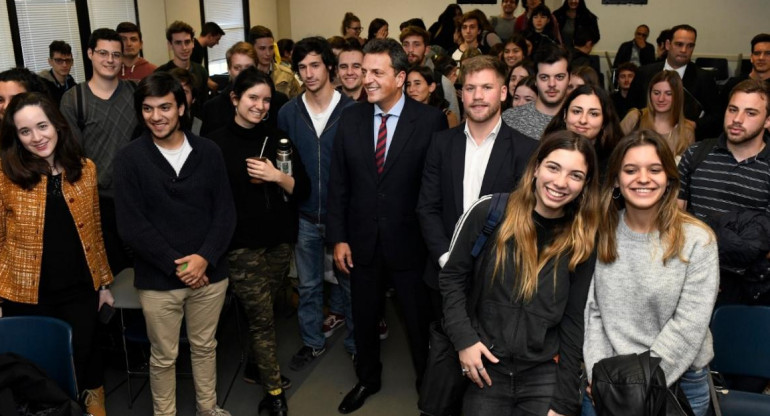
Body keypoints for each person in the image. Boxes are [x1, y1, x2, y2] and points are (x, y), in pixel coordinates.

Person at [326, 38, 448, 414]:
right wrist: (339, 238)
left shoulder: (429, 121)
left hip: (411, 244)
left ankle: (427, 387)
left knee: (417, 322)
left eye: (377, 72)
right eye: (364, 71)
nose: (367, 79)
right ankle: (368, 379)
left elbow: (435, 190)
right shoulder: (350, 118)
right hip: (361, 242)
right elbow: (339, 184)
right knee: (363, 319)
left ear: (400, 76)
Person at [441, 130, 600, 416]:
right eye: (553, 167)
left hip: (542, 372)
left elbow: (575, 319)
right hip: (487, 365)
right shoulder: (490, 212)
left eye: (575, 175)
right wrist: (464, 340)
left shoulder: (583, 239)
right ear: (536, 167)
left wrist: (563, 401)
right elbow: (452, 278)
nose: (561, 182)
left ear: (585, 184)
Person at [113, 72, 236, 416]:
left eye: (165, 107)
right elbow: (132, 226)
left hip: (209, 275)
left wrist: (204, 259)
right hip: (158, 279)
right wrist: (178, 264)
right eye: (148, 109)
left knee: (205, 346)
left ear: (182, 107)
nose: (157, 116)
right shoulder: (129, 159)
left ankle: (207, 409)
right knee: (164, 356)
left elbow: (225, 213)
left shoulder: (209, 151)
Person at [583, 130, 719, 416]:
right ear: (617, 179)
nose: (642, 178)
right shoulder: (601, 233)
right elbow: (592, 313)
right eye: (631, 170)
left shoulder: (697, 239)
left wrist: (636, 384)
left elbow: (688, 325)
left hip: (678, 384)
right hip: (606, 382)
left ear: (669, 179)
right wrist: (601, 373)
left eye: (654, 169)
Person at [0, 92, 113, 416]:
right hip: (24, 293)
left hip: (79, 287)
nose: (36, 137)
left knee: (84, 353)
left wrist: (104, 284)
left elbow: (95, 229)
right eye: (25, 131)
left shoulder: (85, 169)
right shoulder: (5, 175)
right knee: (34, 370)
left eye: (42, 126)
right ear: (16, 137)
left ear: (57, 125)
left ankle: (91, 403)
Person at [208, 67, 309, 416]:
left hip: (279, 241)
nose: (260, 105)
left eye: (266, 100)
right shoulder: (215, 144)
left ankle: (254, 366)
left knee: (265, 311)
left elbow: (302, 189)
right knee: (263, 319)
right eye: (253, 97)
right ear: (235, 98)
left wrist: (277, 176)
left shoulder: (278, 138)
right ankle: (274, 391)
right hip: (240, 245)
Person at [417, 55, 537, 321]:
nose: (478, 96)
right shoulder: (441, 144)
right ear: (461, 94)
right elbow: (427, 207)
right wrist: (446, 259)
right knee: (441, 356)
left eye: (487, 87)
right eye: (470, 88)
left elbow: (522, 217)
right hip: (443, 274)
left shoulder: (525, 149)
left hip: (499, 281)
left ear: (504, 92)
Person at [276, 37, 358, 372]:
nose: (308, 74)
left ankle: (356, 344)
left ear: (329, 67)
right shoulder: (288, 112)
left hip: (345, 217)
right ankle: (312, 342)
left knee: (352, 286)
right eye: (302, 67)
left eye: (314, 65)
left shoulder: (353, 112)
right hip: (305, 215)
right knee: (308, 286)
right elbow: (283, 165)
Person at [678, 80, 770, 306]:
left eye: (750, 113)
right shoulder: (696, 153)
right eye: (733, 109)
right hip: (691, 275)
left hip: (747, 288)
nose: (737, 119)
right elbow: (674, 218)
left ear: (768, 121)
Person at [60, 28, 139, 274]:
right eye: (103, 53)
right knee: (111, 270)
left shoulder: (137, 93)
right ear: (90, 54)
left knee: (145, 268)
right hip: (99, 201)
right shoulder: (74, 100)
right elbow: (71, 156)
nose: (110, 60)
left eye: (116, 54)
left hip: (140, 195)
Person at [628, 24, 719, 139]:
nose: (684, 50)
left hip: (685, 143)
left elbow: (716, 116)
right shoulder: (644, 73)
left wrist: (695, 125)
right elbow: (630, 107)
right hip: (645, 138)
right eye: (679, 44)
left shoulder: (704, 78)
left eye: (690, 46)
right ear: (667, 45)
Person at [544, 84, 623, 170]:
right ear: (565, 115)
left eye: (593, 114)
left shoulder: (616, 161)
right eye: (576, 111)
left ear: (604, 121)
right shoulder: (546, 150)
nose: (583, 120)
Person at [621, 70, 695, 160]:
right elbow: (614, 152)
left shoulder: (686, 131)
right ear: (649, 94)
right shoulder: (635, 117)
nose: (661, 99)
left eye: (668, 94)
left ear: (677, 96)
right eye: (656, 93)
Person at [503, 45, 570, 141]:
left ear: (569, 79)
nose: (552, 84)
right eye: (544, 77)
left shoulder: (578, 121)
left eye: (559, 77)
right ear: (535, 80)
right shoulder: (510, 118)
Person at [400, 25, 461, 116]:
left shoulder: (442, 82)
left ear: (427, 50)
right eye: (406, 45)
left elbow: (454, 125)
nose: (410, 50)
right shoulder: (397, 79)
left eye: (416, 45)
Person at [200, 41, 257, 136]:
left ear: (257, 68)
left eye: (248, 67)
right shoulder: (212, 108)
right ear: (229, 70)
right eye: (237, 68)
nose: (243, 73)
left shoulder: (273, 101)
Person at [155, 21, 210, 117]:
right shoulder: (160, 75)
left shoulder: (201, 71)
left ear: (193, 43)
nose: (184, 47)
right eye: (178, 43)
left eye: (187, 42)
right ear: (170, 45)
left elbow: (204, 106)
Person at [249, 25, 301, 99]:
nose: (268, 53)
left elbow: (298, 103)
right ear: (252, 48)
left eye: (271, 48)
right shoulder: (246, 75)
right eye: (262, 48)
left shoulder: (286, 75)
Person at [38, 40, 76, 105]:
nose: (64, 65)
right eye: (59, 60)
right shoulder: (41, 86)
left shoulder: (71, 83)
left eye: (68, 60)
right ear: (50, 62)